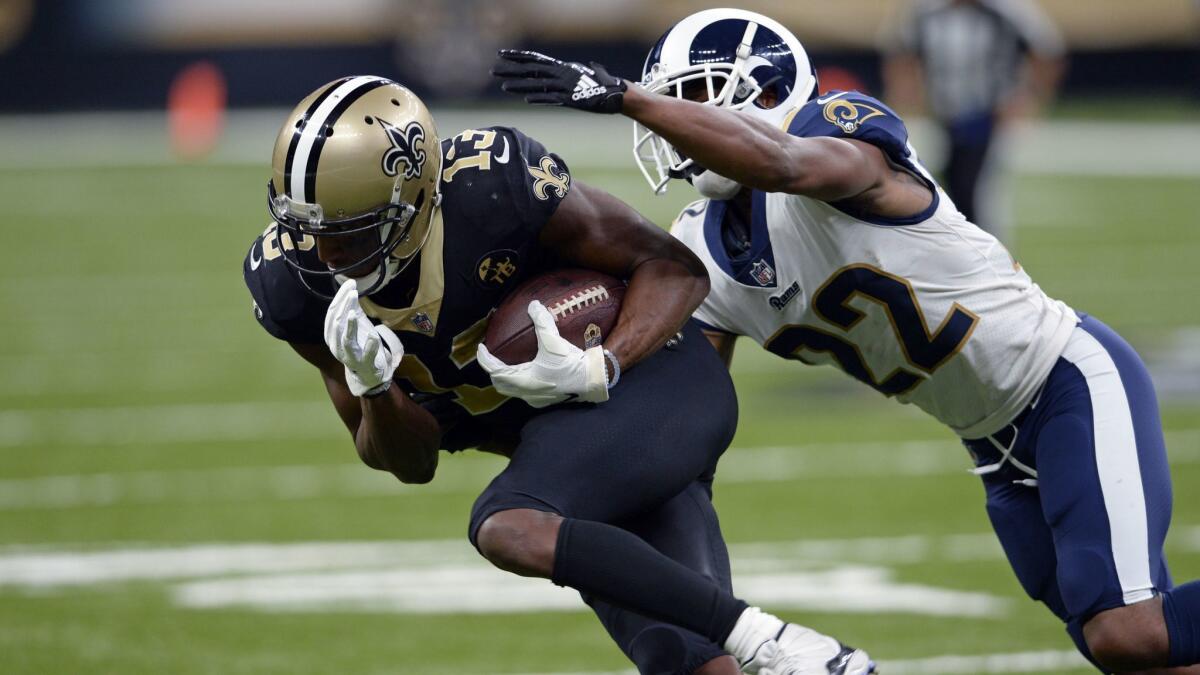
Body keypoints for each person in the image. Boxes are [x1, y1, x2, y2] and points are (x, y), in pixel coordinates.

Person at [492, 7, 1200, 674]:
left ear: (761, 92)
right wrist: (601, 370)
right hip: (991, 444)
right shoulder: (700, 249)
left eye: (697, 98)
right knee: (1138, 656)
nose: (676, 125)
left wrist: (627, 98)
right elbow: (682, 424)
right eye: (672, 103)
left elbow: (789, 166)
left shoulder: (838, 130)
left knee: (1127, 628)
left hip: (1063, 382)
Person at [242, 76, 876, 675]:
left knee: (506, 524)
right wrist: (373, 386)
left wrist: (604, 362)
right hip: (568, 456)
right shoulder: (294, 286)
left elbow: (676, 268)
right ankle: (782, 648)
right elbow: (411, 461)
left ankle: (775, 641)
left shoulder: (492, 190)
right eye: (310, 230)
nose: (325, 256)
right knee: (684, 659)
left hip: (653, 388)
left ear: (411, 200)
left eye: (350, 234)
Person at [880, 0, 1065, 243]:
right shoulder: (925, 11)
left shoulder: (1006, 10)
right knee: (943, 186)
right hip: (942, 114)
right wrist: (907, 94)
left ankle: (991, 254)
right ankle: (956, 248)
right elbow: (899, 51)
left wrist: (1028, 97)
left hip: (988, 115)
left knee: (982, 192)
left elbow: (1047, 50)